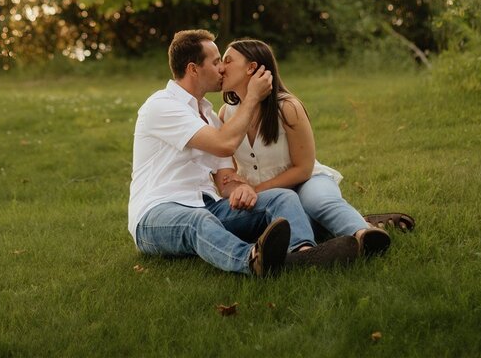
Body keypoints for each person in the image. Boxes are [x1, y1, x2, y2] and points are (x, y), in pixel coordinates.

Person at [129, 29, 361, 276]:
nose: (221, 68)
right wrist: (251, 98)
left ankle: (303, 254)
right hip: (158, 214)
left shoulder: (209, 117)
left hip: (209, 206)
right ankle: (251, 260)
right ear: (193, 69)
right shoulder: (162, 105)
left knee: (282, 197)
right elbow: (223, 144)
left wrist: (239, 189)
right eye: (216, 61)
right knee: (196, 222)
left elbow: (225, 177)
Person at [217, 38, 407, 255]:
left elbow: (303, 168)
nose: (221, 68)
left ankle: (365, 234)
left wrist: (255, 189)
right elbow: (229, 169)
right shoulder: (226, 114)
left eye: (228, 61)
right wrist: (238, 186)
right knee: (293, 223)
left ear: (251, 67)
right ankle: (358, 222)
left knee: (317, 201)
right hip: (271, 198)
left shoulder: (287, 107)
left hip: (306, 181)